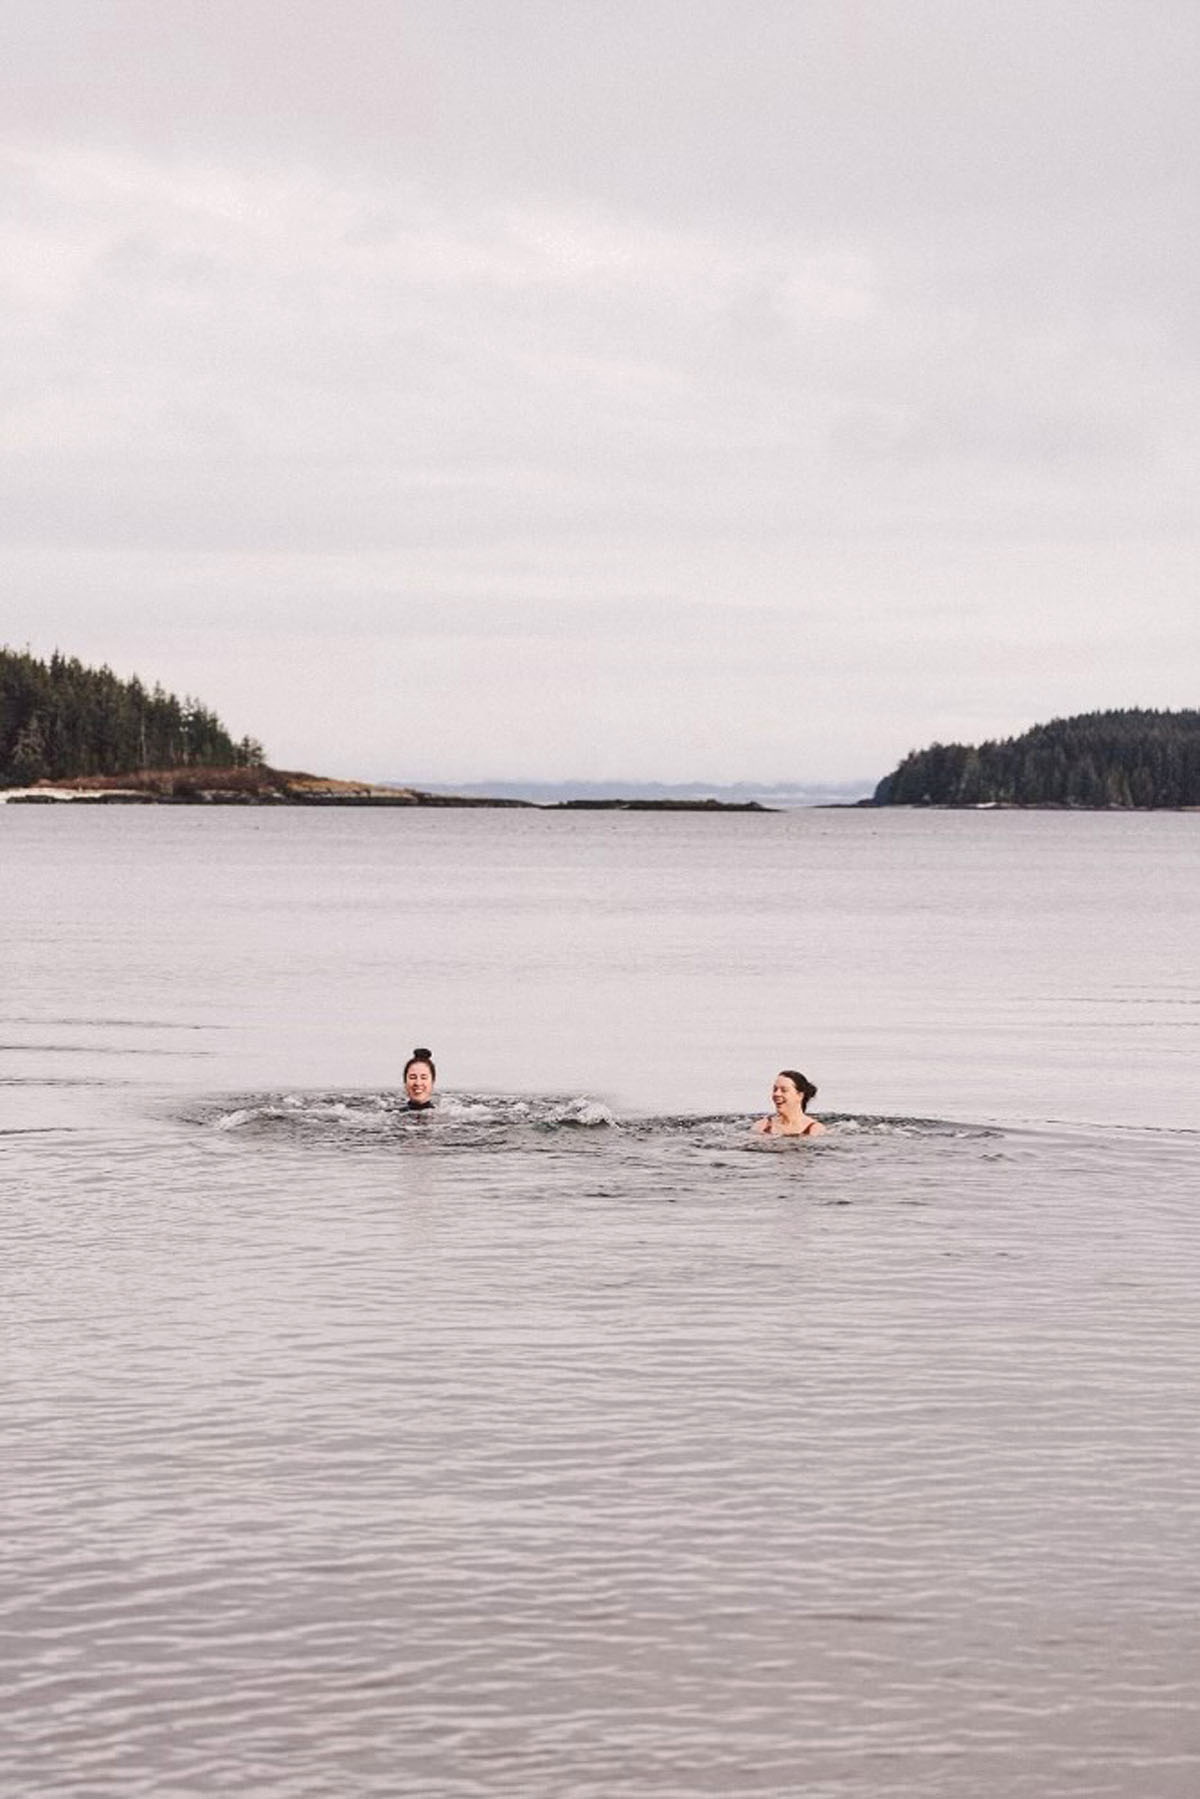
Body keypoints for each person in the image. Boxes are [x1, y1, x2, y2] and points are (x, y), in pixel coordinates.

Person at [752, 1069, 826, 1137]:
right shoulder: (762, 1126)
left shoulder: (814, 1129)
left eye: (784, 1090)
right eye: (775, 1089)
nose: (777, 1094)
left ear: (800, 1095)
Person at [403, 1046, 436, 1111]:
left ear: (432, 1081)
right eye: (412, 1077)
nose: (418, 1083)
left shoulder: (445, 1116)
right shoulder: (389, 1115)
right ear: (405, 1081)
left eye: (423, 1078)